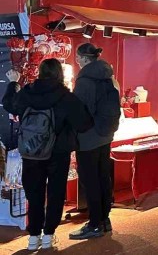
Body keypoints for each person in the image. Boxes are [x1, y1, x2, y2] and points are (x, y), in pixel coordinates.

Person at [8, 59, 92, 250]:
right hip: (58, 152)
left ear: (40, 72)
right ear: (59, 73)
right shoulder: (66, 96)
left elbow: (9, 105)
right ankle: (48, 235)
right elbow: (84, 124)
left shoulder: (27, 93)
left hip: (31, 151)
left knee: (34, 194)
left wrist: (13, 84)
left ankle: (33, 237)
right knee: (55, 193)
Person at [70, 43, 120, 240]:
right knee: (103, 177)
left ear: (83, 58)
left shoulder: (84, 81)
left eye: (77, 56)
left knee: (90, 181)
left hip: (88, 138)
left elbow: (79, 111)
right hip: (105, 134)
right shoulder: (106, 76)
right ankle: (104, 219)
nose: (76, 60)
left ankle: (94, 224)